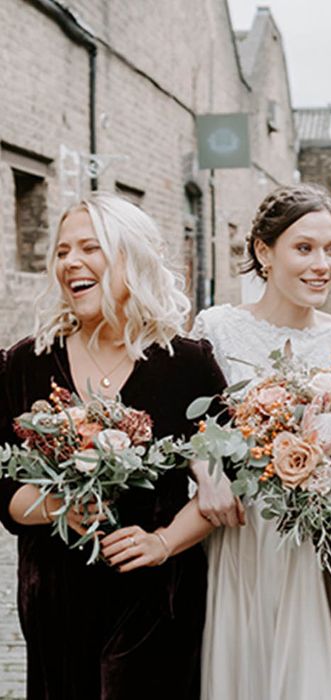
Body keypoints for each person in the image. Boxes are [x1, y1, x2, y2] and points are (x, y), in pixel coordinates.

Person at [0, 192, 225, 699]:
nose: (70, 263)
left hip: (158, 601)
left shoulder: (186, 364)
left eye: (89, 247)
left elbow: (225, 480)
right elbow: (3, 491)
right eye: (61, 252)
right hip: (58, 597)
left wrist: (164, 542)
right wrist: (55, 506)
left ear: (131, 256)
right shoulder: (25, 365)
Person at [192, 183, 331, 700]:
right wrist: (206, 475)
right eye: (304, 248)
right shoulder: (217, 329)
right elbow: (195, 428)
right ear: (263, 252)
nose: (322, 264)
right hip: (239, 533)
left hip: (317, 547)